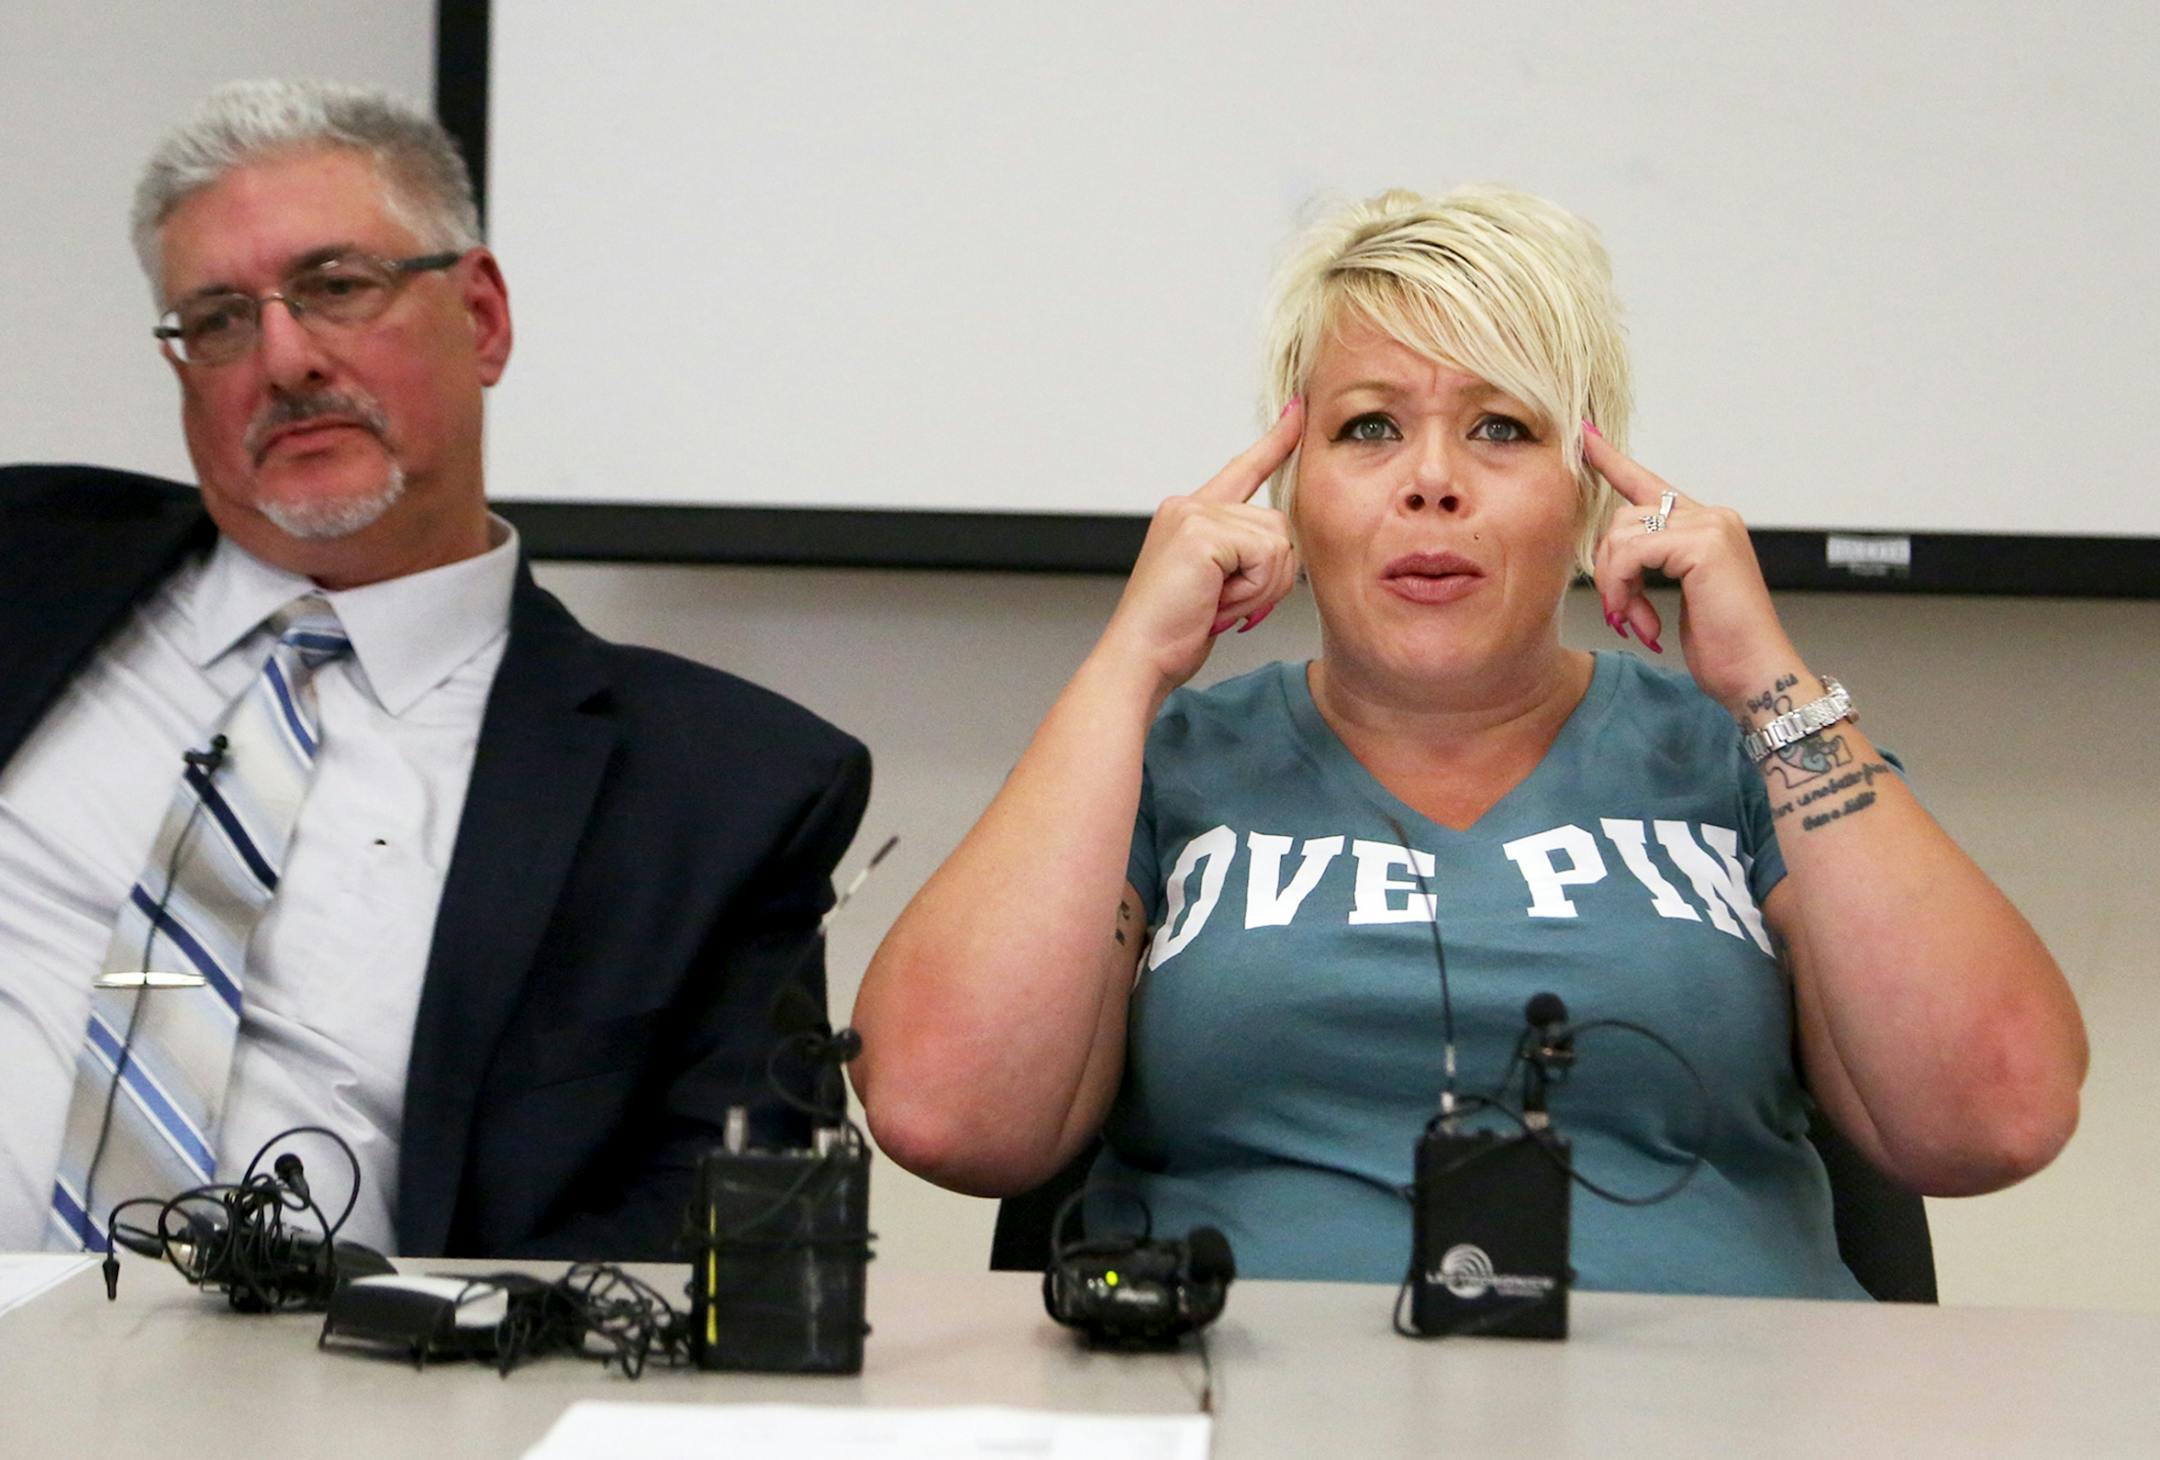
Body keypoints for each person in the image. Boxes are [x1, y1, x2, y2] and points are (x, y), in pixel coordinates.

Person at [850, 185, 2086, 1296]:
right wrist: (1128, 663)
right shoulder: (1167, 761)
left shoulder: (1736, 754)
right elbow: (945, 1114)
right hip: (1250, 1411)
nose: (1432, 480)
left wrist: (1769, 679)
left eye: (1502, 428)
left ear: (1591, 489)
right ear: (1284, 494)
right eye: (1369, 428)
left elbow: (1995, 1116)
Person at [0, 80, 869, 1261]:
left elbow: (706, 1221)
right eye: (218, 320)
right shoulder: (24, 562)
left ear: (484, 316)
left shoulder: (718, 790)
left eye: (337, 288)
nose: (285, 358)